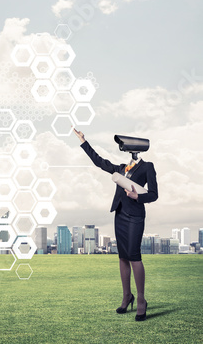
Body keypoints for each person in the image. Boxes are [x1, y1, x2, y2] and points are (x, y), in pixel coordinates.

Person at [74, 128, 158, 321]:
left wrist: (139, 196)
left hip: (135, 216)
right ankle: (127, 296)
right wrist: (83, 141)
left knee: (134, 256)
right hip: (120, 215)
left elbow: (154, 194)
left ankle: (142, 300)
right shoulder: (121, 168)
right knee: (123, 257)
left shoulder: (148, 167)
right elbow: (99, 162)